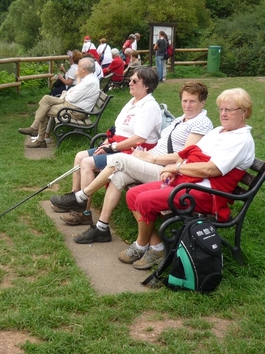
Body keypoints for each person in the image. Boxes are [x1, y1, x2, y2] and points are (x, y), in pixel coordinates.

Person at [51, 83, 213, 259]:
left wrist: (152, 158)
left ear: (203, 103)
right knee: (118, 176)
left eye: (193, 101)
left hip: (169, 171)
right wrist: (145, 154)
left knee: (119, 159)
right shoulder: (181, 119)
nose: (187, 105)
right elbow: (162, 146)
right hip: (154, 162)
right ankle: (101, 228)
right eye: (184, 100)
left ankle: (82, 197)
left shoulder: (202, 123)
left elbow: (184, 156)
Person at [118, 88, 255, 269]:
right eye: (221, 109)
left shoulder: (241, 139)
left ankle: (141, 246)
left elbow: (210, 169)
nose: (223, 114)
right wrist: (174, 170)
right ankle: (156, 246)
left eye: (229, 110)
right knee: (133, 194)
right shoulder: (219, 131)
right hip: (187, 184)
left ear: (244, 112)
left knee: (144, 199)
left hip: (206, 194)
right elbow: (191, 152)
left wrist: (177, 167)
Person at [50, 67, 162, 207]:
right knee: (80, 156)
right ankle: (74, 196)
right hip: (118, 146)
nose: (130, 83)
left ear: (147, 86)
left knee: (87, 163)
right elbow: (117, 129)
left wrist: (111, 147)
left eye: (135, 81)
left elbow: (139, 139)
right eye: (130, 80)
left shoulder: (149, 106)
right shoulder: (133, 101)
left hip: (133, 152)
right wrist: (105, 144)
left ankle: (83, 209)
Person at [18, 58, 100, 148]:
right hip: (71, 105)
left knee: (44, 109)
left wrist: (68, 93)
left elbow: (72, 98)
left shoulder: (90, 82)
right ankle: (34, 128)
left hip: (76, 111)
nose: (77, 69)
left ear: (83, 69)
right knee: (46, 99)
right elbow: (74, 90)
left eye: (78, 67)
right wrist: (70, 92)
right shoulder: (88, 78)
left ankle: (40, 139)